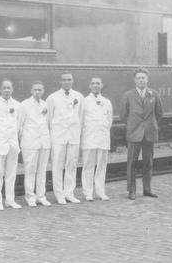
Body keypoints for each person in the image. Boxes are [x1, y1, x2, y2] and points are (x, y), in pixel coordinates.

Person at [120, 68, 163, 200]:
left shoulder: (154, 94)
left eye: (143, 77)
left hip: (149, 133)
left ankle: (147, 189)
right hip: (134, 133)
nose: (141, 80)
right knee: (132, 162)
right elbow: (123, 115)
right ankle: (132, 190)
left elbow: (159, 113)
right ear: (135, 80)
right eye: (138, 78)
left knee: (148, 162)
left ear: (147, 79)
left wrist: (150, 124)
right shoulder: (128, 95)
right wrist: (133, 125)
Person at [46, 73, 84, 204]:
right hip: (58, 136)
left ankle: (69, 193)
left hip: (73, 135)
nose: (67, 82)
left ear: (73, 81)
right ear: (60, 82)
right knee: (57, 165)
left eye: (69, 80)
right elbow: (49, 119)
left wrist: (78, 133)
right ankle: (59, 194)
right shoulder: (52, 97)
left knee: (72, 164)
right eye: (64, 80)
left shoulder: (79, 96)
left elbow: (81, 117)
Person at [0, 79, 22, 210]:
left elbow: (19, 125)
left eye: (9, 88)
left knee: (11, 174)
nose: (7, 90)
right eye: (4, 88)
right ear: (0, 90)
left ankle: (10, 200)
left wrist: (13, 139)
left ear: (12, 89)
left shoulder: (18, 106)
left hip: (12, 144)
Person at [18, 81, 52, 207]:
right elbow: (20, 126)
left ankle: (41, 196)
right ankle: (30, 196)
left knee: (42, 171)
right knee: (30, 170)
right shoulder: (24, 105)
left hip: (44, 142)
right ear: (31, 91)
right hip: (30, 142)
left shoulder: (45, 104)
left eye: (40, 90)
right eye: (35, 90)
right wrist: (26, 138)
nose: (37, 92)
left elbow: (47, 123)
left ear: (43, 91)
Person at [80, 77, 113, 202]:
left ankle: (100, 192)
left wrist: (102, 130)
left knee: (101, 166)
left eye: (98, 83)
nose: (95, 85)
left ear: (102, 85)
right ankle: (88, 193)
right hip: (89, 137)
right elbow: (81, 120)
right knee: (88, 166)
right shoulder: (84, 101)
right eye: (93, 83)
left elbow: (109, 120)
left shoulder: (107, 102)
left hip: (103, 138)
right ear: (89, 86)